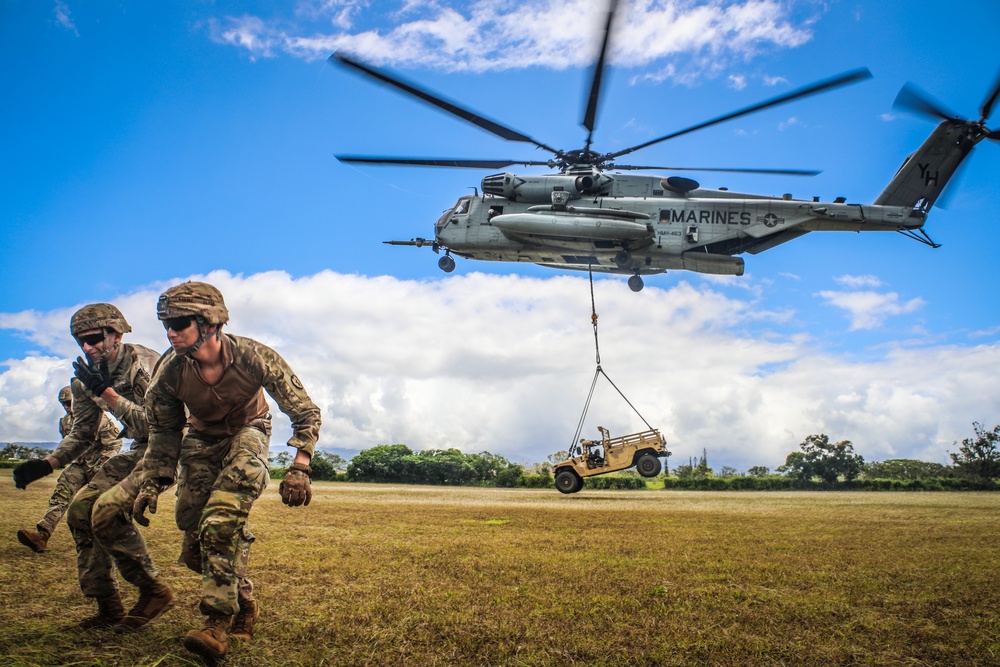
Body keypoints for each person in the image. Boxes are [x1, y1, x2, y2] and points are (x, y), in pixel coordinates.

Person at [133, 281, 321, 663]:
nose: (171, 332)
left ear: (211, 322)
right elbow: (165, 431)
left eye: (180, 322)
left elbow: (305, 411)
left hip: (249, 431)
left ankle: (216, 625)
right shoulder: (168, 373)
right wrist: (151, 482)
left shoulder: (255, 356)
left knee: (220, 521)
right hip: (199, 440)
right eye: (166, 324)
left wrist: (300, 466)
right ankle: (245, 599)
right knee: (192, 542)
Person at [12, 303, 174, 631]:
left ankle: (153, 590)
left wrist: (109, 394)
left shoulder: (145, 366)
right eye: (80, 341)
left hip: (173, 447)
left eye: (94, 339)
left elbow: (159, 426)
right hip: (140, 449)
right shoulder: (84, 381)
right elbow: (83, 433)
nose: (87, 347)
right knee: (79, 512)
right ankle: (108, 605)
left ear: (117, 333)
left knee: (108, 511)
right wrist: (48, 463)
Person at [15, 385, 123, 553]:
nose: (67, 407)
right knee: (61, 493)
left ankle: (115, 541)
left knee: (101, 505)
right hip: (79, 465)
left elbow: (115, 443)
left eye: (69, 402)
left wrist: (105, 462)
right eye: (64, 403)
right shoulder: (65, 422)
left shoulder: (101, 419)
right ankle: (42, 535)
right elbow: (69, 445)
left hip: (99, 466)